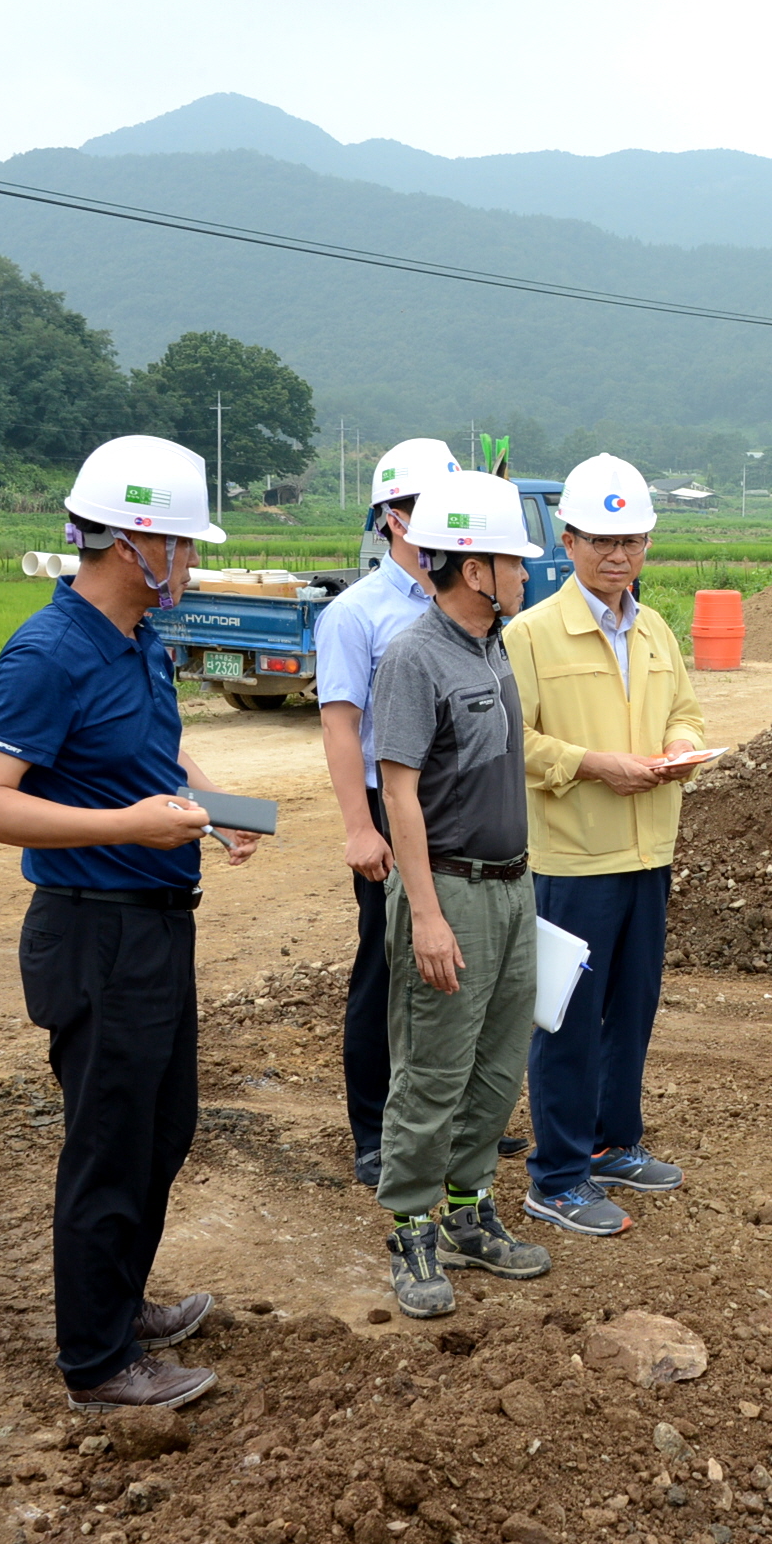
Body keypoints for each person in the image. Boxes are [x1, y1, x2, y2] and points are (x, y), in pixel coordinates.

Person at [0, 434, 261, 1410]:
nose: (193, 562)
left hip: (160, 921)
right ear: (135, 543)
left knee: (162, 1128)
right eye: (183, 543)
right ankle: (96, 1362)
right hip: (94, 932)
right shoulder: (47, 651)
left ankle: (122, 1303)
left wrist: (216, 804)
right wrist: (125, 825)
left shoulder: (140, 642)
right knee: (110, 1142)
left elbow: (161, 757)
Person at [501, 456, 708, 1238]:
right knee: (564, 1019)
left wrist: (679, 748)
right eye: (599, 541)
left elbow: (685, 709)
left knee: (631, 1010)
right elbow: (508, 739)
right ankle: (555, 1177)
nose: (616, 556)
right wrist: (591, 765)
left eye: (631, 541)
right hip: (570, 859)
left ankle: (613, 1143)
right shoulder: (531, 633)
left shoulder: (651, 627)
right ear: (568, 541)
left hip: (648, 850)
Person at [368, 470, 556, 1317]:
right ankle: (410, 1228)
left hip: (511, 890)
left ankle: (467, 1210)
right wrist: (429, 918)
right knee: (433, 1069)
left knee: (495, 1063)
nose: (526, 573)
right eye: (514, 562)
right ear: (473, 569)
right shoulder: (414, 656)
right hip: (447, 889)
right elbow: (398, 792)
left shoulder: (493, 646)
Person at [315, 438, 451, 1189]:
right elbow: (340, 727)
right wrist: (358, 827)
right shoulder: (355, 615)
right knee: (389, 961)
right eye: (435, 513)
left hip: (454, 800)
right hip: (386, 802)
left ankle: (445, 1116)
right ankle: (374, 1130)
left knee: (457, 962)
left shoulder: (465, 603)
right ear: (394, 519)